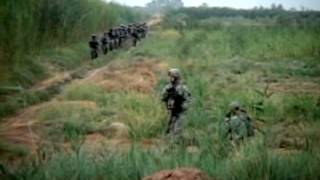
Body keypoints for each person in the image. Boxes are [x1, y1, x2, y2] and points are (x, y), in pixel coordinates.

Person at [161, 68, 191, 137]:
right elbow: (163, 98)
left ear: (176, 77)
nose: (170, 78)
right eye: (170, 76)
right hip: (171, 111)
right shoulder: (168, 87)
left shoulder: (183, 88)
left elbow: (188, 99)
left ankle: (176, 143)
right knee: (168, 129)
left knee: (177, 129)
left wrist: (182, 106)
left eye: (172, 76)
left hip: (180, 111)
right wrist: (167, 95)